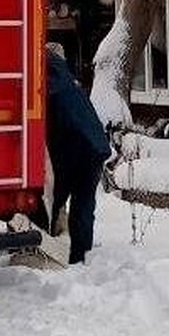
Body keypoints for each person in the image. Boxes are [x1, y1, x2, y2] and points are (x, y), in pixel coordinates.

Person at [37, 42, 111, 264]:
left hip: (72, 149)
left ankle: (45, 245)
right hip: (96, 147)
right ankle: (80, 256)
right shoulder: (69, 81)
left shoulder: (46, 85)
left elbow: (49, 129)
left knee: (54, 199)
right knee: (84, 204)